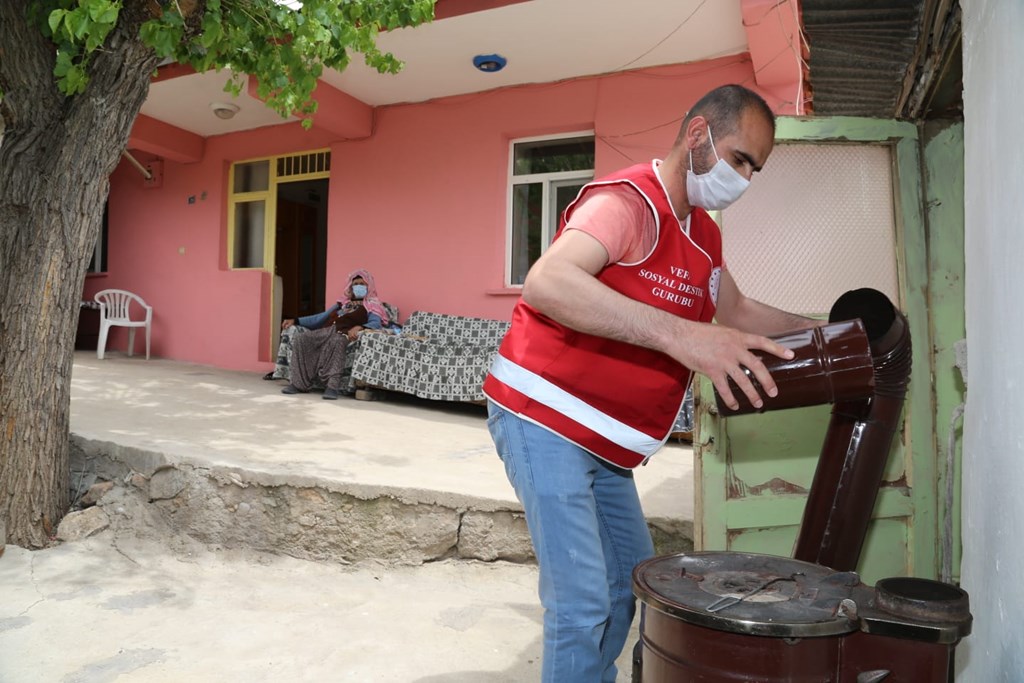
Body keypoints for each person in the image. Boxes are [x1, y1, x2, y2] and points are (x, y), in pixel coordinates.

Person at [482, 84, 818, 682]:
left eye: (754, 170)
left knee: (629, 585)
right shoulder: (627, 202)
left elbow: (737, 313)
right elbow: (548, 282)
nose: (745, 178)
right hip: (545, 418)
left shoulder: (705, 237)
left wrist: (827, 329)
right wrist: (682, 337)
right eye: (740, 159)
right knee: (583, 600)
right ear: (697, 136)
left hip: (606, 445)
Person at [279, 268, 391, 399]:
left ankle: (332, 387)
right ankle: (298, 384)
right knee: (301, 339)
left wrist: (359, 327)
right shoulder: (343, 303)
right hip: (328, 330)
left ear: (369, 286)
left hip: (344, 334)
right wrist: (296, 320)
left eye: (362, 283)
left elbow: (375, 323)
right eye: (355, 284)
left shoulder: (373, 305)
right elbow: (321, 317)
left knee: (337, 342)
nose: (358, 286)